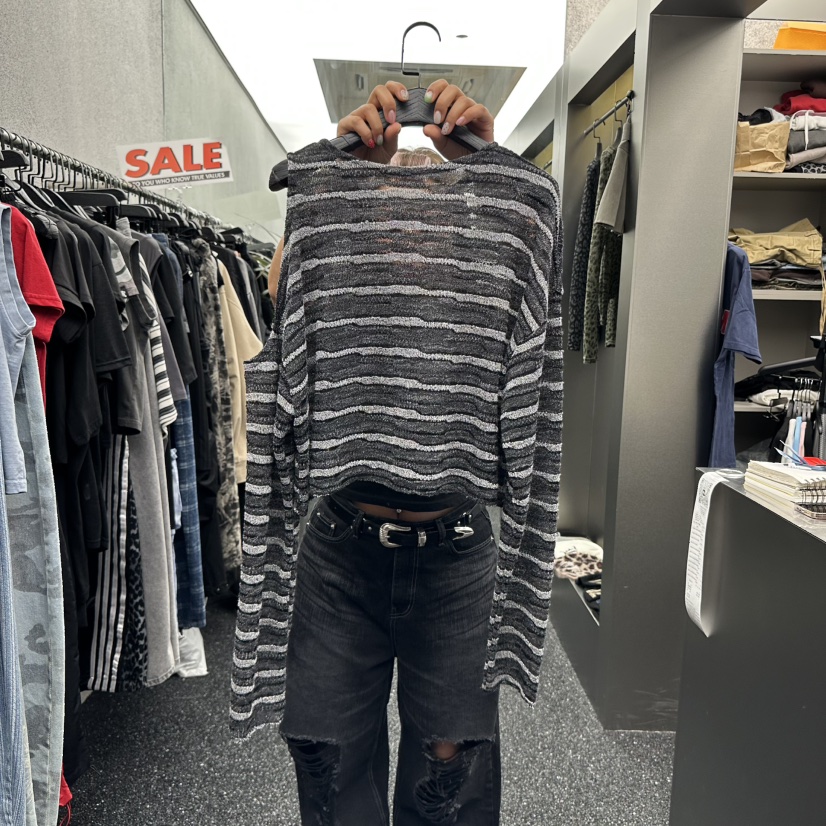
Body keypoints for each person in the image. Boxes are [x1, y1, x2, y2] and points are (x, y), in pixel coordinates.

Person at [268, 80, 502, 824]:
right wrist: (345, 180)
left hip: (456, 553)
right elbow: (285, 301)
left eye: (427, 213)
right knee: (328, 765)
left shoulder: (477, 272)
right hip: (342, 548)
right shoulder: (345, 262)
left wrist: (490, 168)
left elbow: (532, 287)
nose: (409, 227)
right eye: (392, 212)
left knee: (449, 776)